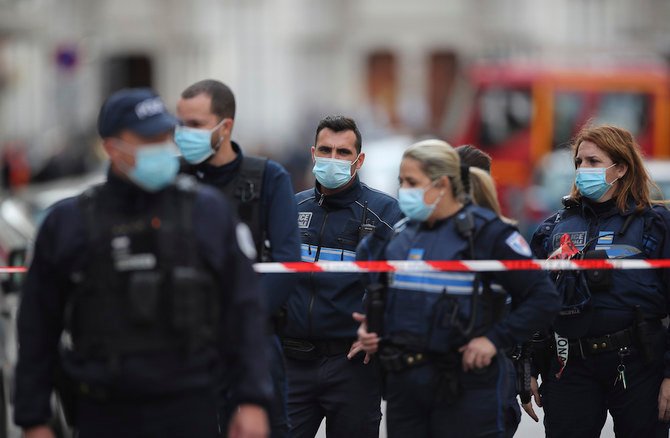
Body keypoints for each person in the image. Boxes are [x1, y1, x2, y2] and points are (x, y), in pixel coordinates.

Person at [13, 88, 271, 438]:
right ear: (112, 148)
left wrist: (252, 399)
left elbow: (244, 307)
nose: (162, 147)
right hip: (104, 411)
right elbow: (37, 326)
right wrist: (34, 419)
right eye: (148, 139)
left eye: (165, 136)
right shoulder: (69, 224)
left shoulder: (206, 212)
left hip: (189, 407)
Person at [355, 138, 560, 437]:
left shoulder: (488, 233)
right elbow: (383, 293)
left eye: (412, 182)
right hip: (405, 389)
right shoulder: (399, 234)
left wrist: (493, 340)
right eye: (402, 182)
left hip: (466, 389)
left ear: (442, 185)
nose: (404, 191)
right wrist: (374, 331)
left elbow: (543, 298)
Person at [174, 79, 300, 438]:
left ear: (224, 126)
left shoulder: (269, 178)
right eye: (180, 124)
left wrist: (239, 322)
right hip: (185, 348)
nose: (183, 134)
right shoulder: (170, 178)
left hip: (252, 341)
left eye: (195, 125)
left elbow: (287, 264)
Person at [528, 124, 670, 437]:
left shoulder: (656, 224)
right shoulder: (554, 228)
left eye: (593, 162)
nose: (582, 169)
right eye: (579, 162)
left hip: (638, 363)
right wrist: (527, 368)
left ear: (620, 168)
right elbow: (532, 300)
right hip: (569, 364)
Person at [281, 115, 403, 438]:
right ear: (313, 153)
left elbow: (398, 283)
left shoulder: (386, 212)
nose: (332, 159)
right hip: (293, 363)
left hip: (352, 366)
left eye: (343, 152)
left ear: (359, 160)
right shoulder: (292, 208)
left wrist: (376, 325)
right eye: (325, 150)